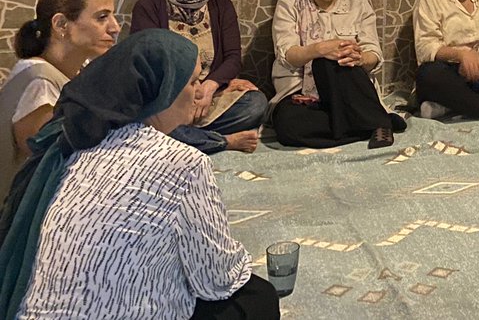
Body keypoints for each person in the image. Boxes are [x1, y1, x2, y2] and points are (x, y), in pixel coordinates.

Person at [0, 29, 279, 320]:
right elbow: (218, 279)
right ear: (163, 89)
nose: (199, 92)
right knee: (258, 297)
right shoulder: (182, 162)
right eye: (192, 81)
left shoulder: (77, 139)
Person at [132, 0, 267, 154]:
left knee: (255, 104)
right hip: (169, 98)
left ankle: (186, 137)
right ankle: (222, 141)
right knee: (146, 120)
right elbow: (149, 65)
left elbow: (233, 58)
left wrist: (211, 86)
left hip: (208, 96)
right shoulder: (149, 7)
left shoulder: (220, 4)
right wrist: (189, 93)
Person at [270, 0, 402, 149]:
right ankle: (371, 124)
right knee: (288, 126)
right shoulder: (289, 7)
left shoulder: (359, 6)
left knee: (331, 62)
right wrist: (319, 49)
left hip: (348, 91)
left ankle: (365, 122)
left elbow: (374, 54)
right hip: (300, 93)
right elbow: (287, 55)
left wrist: (360, 58)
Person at [1, 0, 118, 200]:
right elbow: (47, 162)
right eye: (102, 17)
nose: (115, 28)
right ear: (61, 24)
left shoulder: (79, 69)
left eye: (112, 16)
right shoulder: (39, 81)